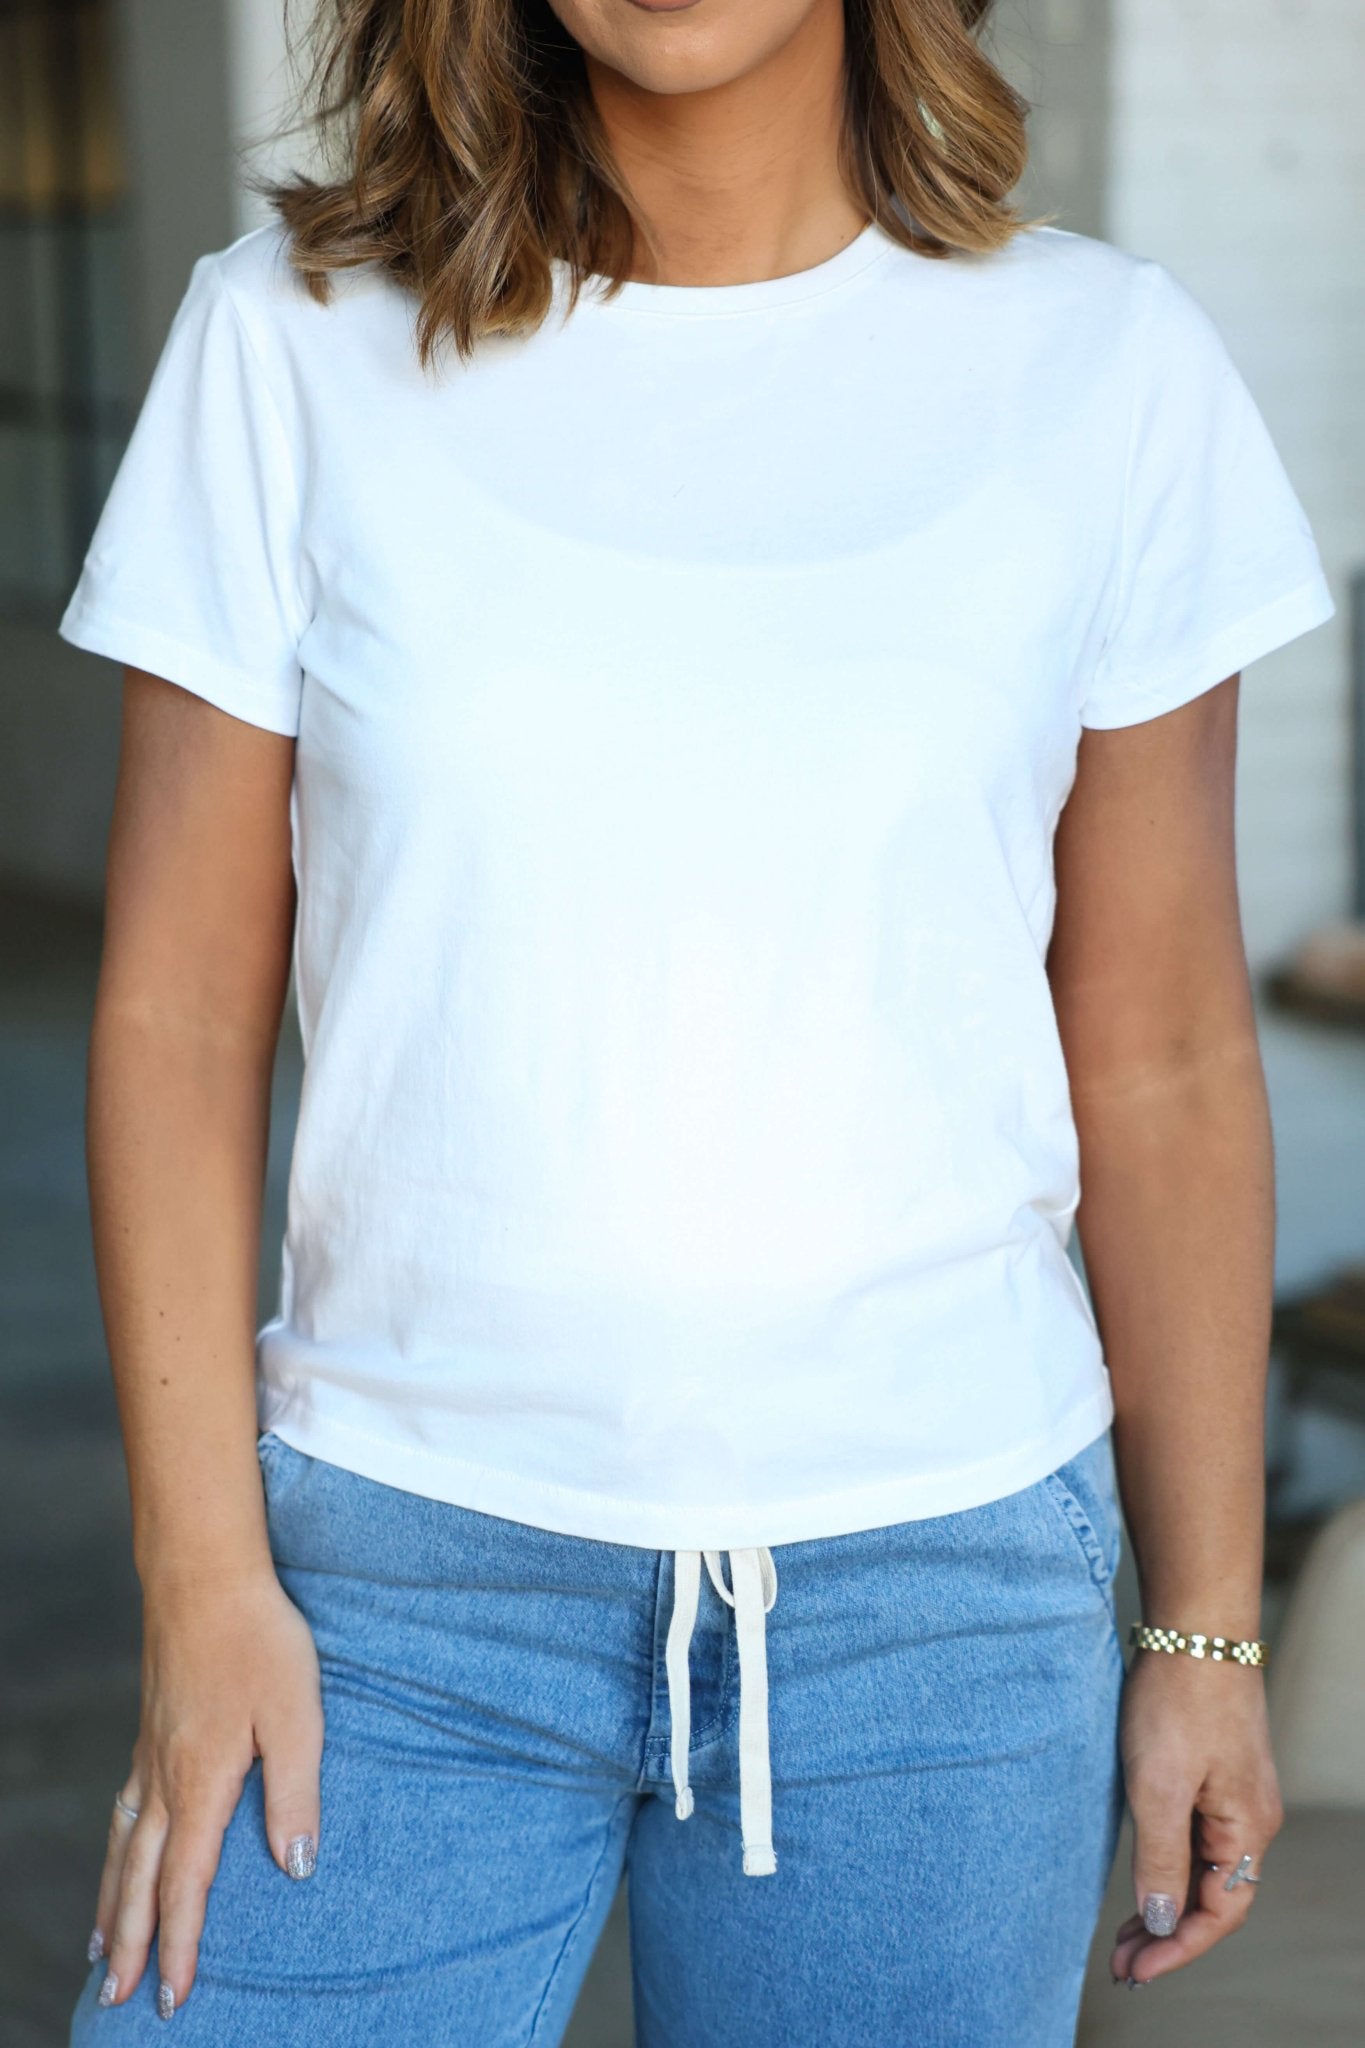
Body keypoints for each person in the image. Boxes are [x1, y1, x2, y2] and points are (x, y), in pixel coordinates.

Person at [57, 0, 1334, 2040]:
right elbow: (175, 1015)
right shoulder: (285, 345)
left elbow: (1164, 1051)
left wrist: (1201, 1630)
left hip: (935, 1609)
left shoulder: (1106, 370)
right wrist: (200, 1580)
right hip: (386, 1587)